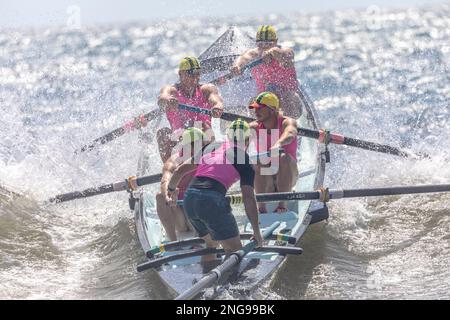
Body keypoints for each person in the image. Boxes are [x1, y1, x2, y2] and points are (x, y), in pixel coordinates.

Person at [165, 119, 263, 262]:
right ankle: (229, 282)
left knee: (211, 244)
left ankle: (207, 275)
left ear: (228, 137)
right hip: (211, 201)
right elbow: (248, 198)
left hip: (190, 200)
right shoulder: (245, 161)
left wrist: (171, 189)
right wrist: (256, 232)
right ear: (248, 140)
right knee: (235, 252)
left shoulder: (211, 147)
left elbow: (179, 171)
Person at [157, 56, 224, 162]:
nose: (195, 78)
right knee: (162, 133)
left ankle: (205, 162)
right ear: (180, 74)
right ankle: (169, 169)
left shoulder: (206, 89)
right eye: (191, 73)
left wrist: (217, 107)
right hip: (179, 139)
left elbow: (217, 101)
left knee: (202, 126)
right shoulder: (171, 91)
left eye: (198, 74)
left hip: (203, 137)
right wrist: (168, 101)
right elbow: (162, 98)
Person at [231, 25, 303, 118]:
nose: (264, 46)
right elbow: (242, 58)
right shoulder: (254, 54)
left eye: (268, 43)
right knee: (253, 103)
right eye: (260, 44)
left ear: (276, 42)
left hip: (289, 102)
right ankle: (261, 128)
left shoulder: (286, 51)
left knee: (287, 97)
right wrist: (237, 66)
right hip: (266, 101)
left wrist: (273, 51)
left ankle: (286, 125)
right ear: (256, 43)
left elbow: (286, 58)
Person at [248, 92, 299, 213]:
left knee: (282, 157)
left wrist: (278, 144)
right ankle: (261, 208)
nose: (256, 112)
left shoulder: (287, 122)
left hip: (288, 176)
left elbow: (290, 134)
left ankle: (282, 205)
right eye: (255, 109)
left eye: (260, 109)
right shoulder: (254, 127)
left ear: (272, 110)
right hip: (267, 181)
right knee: (258, 160)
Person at [156, 127, 207, 242]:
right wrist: (167, 195)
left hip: (198, 212)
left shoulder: (208, 157)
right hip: (178, 213)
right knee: (160, 196)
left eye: (202, 143)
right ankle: (173, 242)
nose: (202, 147)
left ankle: (203, 239)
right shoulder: (174, 161)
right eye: (197, 144)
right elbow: (165, 180)